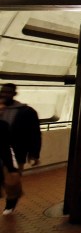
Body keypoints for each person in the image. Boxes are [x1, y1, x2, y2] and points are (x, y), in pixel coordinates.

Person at [0, 83, 42, 215]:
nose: (4, 94)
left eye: (8, 92)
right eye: (3, 92)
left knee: (12, 180)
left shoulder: (26, 112)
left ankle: (10, 205)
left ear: (14, 94)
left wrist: (34, 154)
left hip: (15, 152)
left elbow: (34, 133)